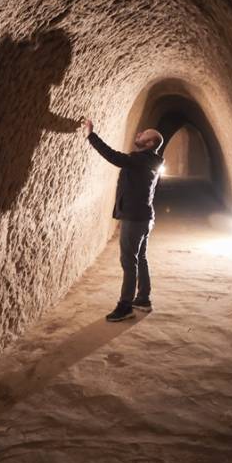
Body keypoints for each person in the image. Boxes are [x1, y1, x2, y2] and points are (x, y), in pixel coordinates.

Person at [80, 117, 165, 322]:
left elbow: (114, 157)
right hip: (144, 217)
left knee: (129, 261)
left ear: (151, 143)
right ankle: (143, 298)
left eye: (144, 134)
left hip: (135, 218)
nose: (139, 134)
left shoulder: (141, 160)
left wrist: (91, 135)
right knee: (140, 258)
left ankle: (125, 305)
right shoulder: (151, 161)